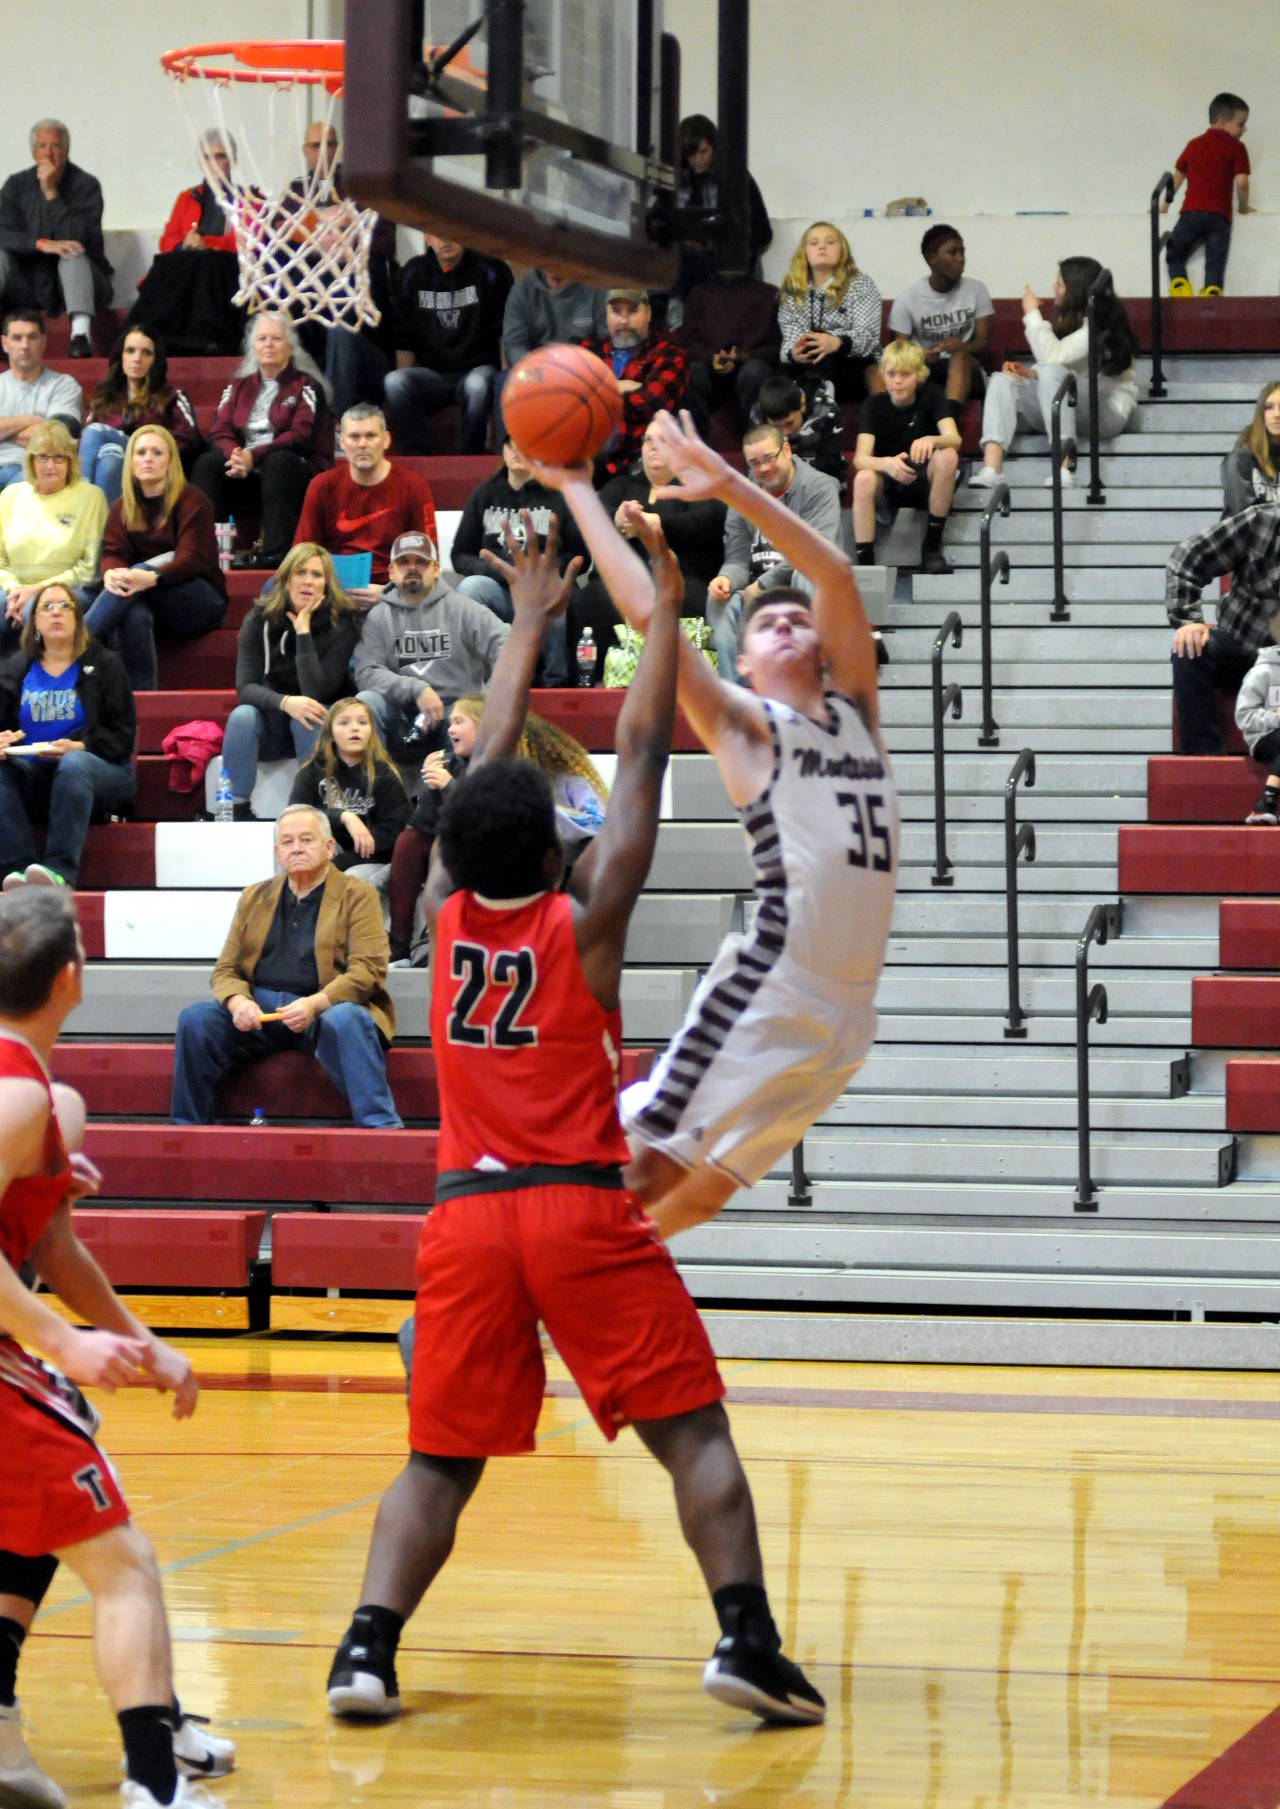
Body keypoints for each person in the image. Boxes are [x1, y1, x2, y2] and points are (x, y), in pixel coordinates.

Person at [326, 508, 825, 1733]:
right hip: (575, 1204)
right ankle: (745, 1642)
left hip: (461, 1220)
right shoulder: (580, 926)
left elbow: (488, 752)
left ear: (453, 848)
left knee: (439, 1455)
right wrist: (656, 609)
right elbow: (646, 750)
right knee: (690, 1432)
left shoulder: (437, 917)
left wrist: (528, 629)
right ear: (555, 848)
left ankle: (364, 1653)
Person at [542, 409, 897, 1243]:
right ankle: (498, 1293)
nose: (786, 618)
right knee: (653, 1161)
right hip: (777, 979)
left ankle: (577, 1294)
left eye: (796, 617)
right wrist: (577, 491)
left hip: (850, 1016)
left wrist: (728, 483)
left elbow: (836, 573)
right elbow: (647, 616)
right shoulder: (746, 727)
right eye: (766, 620)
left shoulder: (855, 716)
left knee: (706, 1189)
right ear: (741, 662)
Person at [0, 886, 233, 1809]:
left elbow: (52, 1244)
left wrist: (138, 1338)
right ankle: (154, 1785)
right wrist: (61, 1336)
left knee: (48, 1516)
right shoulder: (24, 1094)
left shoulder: (38, 1097)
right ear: (72, 978)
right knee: (122, 1562)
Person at [170, 802, 401, 1129]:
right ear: (277, 852)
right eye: (288, 842)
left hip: (323, 1010)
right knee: (196, 1020)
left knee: (347, 1018)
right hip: (260, 1014)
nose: (297, 849)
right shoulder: (254, 896)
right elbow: (226, 971)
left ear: (328, 847)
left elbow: (368, 971)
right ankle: (188, 1132)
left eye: (306, 840)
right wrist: (239, 1003)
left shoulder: (358, 895)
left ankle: (382, 1130)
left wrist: (314, 1004)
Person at [569, 415, 727, 683]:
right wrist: (616, 519)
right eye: (648, 441)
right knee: (587, 599)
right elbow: (590, 513)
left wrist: (658, 524)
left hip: (683, 579)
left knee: (690, 598)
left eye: (662, 441)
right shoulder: (625, 485)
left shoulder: (697, 485)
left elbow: (709, 519)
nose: (653, 446)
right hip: (627, 582)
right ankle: (589, 681)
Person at [0, 584, 134, 891]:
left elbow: (122, 738)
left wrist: (80, 746)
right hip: (33, 774)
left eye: (65, 605)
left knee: (74, 764)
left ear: (78, 618)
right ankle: (19, 872)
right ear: (34, 621)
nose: (56, 611)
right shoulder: (14, 669)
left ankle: (59, 871)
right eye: (46, 607)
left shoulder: (105, 664)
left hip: (100, 772)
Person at [970, 258, 1139, 489]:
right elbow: (1058, 366)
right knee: (1002, 380)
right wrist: (1029, 374)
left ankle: (1065, 469)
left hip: (1106, 413)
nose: (1053, 288)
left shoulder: (1098, 326)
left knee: (1051, 373)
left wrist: (1031, 314)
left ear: (1076, 290)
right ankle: (991, 468)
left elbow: (1054, 360)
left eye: (1059, 284)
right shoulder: (1071, 320)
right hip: (1071, 405)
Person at [222, 542, 361, 821]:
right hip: (272, 723)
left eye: (317, 575)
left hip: (316, 728)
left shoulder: (343, 623)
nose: (308, 581)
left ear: (326, 585)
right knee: (242, 717)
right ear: (285, 580)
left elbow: (318, 690)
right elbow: (245, 687)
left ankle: (319, 809)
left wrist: (303, 633)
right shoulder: (258, 618)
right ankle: (235, 809)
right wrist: (285, 703)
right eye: (300, 573)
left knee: (307, 714)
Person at [190, 311, 333, 570]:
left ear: (290, 347)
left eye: (276, 339)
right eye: (262, 339)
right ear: (252, 347)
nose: (268, 344)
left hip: (291, 476)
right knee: (207, 464)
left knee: (279, 463)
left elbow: (301, 435)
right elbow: (218, 430)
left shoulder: (306, 386)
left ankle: (276, 554)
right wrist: (235, 453)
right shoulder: (238, 386)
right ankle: (205, 551)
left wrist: (253, 455)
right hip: (246, 473)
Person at [87, 427, 226, 692]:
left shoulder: (192, 501)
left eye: (156, 452)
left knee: (134, 583)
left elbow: (191, 558)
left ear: (169, 462)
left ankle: (78, 642)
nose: (147, 458)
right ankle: (141, 697)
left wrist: (151, 577)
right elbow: (112, 552)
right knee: (134, 612)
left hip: (201, 599)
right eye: (140, 452)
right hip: (144, 596)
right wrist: (111, 573)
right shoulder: (122, 506)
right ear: (131, 462)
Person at [353, 531, 509, 759]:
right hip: (404, 712)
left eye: (421, 562)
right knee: (365, 703)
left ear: (436, 570)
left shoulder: (463, 608)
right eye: (404, 562)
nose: (412, 568)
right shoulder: (378, 616)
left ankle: (465, 790)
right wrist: (416, 689)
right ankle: (377, 788)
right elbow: (366, 671)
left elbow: (508, 644)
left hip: (455, 713)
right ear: (391, 572)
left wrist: (487, 698)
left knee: (474, 720)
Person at [704, 422, 841, 675]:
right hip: (756, 586)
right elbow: (737, 560)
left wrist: (765, 584)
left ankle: (811, 676)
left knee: (808, 576)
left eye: (769, 458)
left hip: (803, 580)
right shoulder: (742, 495)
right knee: (718, 600)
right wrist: (725, 578)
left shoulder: (820, 487)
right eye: (754, 463)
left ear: (786, 451)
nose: (764, 468)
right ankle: (736, 695)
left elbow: (816, 551)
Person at [449, 436, 585, 682]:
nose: (516, 452)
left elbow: (580, 553)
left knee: (554, 592)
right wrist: (496, 570)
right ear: (502, 451)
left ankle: (557, 681)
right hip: (500, 589)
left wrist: (548, 571)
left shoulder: (558, 495)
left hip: (544, 589)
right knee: (470, 588)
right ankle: (478, 680)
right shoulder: (485, 493)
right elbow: (460, 555)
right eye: (511, 446)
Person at [293, 403, 437, 609]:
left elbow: (429, 560)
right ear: (341, 441)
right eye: (354, 437)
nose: (362, 444)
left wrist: (390, 593)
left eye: (370, 436)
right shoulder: (322, 486)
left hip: (395, 593)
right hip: (332, 594)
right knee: (273, 589)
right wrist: (328, 591)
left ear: (386, 440)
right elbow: (302, 553)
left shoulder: (413, 486)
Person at [1168, 503, 1280, 755]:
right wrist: (1189, 621)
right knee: (1191, 649)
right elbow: (1188, 556)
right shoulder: (1262, 521)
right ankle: (1203, 758)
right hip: (1240, 650)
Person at [385, 235, 512, 455]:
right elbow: (403, 340)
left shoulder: (490, 271)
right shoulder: (411, 275)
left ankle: (468, 457)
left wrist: (505, 384)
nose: (445, 240)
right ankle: (421, 459)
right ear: (426, 239)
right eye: (436, 234)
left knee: (477, 385)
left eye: (451, 233)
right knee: (394, 382)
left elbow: (503, 333)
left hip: (478, 369)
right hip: (433, 375)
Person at [123, 131, 243, 356]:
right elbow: (167, 240)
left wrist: (205, 243)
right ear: (199, 162)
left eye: (220, 157)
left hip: (225, 274)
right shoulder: (186, 198)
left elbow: (247, 242)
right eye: (207, 158)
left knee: (207, 264)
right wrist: (185, 243)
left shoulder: (247, 199)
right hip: (187, 270)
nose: (214, 164)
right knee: (170, 265)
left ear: (232, 161)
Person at [852, 339, 961, 575]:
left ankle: (932, 547)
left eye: (905, 374)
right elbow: (860, 459)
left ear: (919, 375)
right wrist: (887, 463)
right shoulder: (874, 405)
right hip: (890, 483)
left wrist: (933, 440)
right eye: (891, 374)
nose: (898, 381)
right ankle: (865, 564)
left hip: (925, 481)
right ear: (883, 376)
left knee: (948, 456)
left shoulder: (932, 395)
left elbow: (954, 438)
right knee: (863, 478)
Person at [0, 123, 111, 356]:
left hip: (82, 282)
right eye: (42, 146)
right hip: (28, 283)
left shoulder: (87, 185)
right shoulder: (16, 185)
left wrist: (51, 193)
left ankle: (80, 336)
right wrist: (41, 244)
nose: (48, 154)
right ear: (33, 152)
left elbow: (81, 239)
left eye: (56, 146)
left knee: (72, 252)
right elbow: (3, 233)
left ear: (67, 150)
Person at [0, 423, 105, 646]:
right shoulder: (10, 496)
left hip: (70, 591)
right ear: (31, 461)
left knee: (38, 612)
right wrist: (14, 589)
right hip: (13, 590)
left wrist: (36, 590)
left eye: (59, 458)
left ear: (70, 462)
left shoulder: (91, 497)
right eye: (42, 458)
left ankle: (46, 680)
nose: (50, 466)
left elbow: (90, 570)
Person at [79, 328, 202, 507]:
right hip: (116, 466)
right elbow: (88, 447)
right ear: (121, 356)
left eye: (146, 353)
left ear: (156, 360)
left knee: (94, 431)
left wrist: (147, 445)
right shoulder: (105, 397)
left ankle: (80, 500)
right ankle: (103, 531)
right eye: (130, 351)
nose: (137, 358)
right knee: (109, 458)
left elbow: (190, 440)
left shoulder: (171, 397)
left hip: (150, 461)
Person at [288, 697, 410, 878]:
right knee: (291, 844)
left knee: (351, 878)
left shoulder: (385, 774)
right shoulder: (313, 770)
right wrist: (344, 817)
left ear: (371, 731)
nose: (354, 728)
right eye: (344, 723)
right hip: (326, 850)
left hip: (371, 858)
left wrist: (340, 863)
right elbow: (295, 815)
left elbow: (390, 834)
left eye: (362, 722)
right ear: (330, 733)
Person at [580, 289, 689, 480]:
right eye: (616, 311)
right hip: (586, 455)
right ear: (606, 314)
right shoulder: (588, 351)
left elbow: (653, 403)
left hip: (636, 461)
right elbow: (568, 399)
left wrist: (597, 393)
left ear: (648, 313)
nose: (623, 321)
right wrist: (623, 387)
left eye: (632, 311)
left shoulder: (669, 353)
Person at [887, 225, 993, 413]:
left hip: (967, 369)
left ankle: (950, 420)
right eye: (952, 252)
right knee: (907, 369)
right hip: (925, 369)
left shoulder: (977, 290)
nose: (960, 258)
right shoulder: (908, 298)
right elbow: (898, 351)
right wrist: (919, 355)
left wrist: (962, 346)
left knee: (959, 357)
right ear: (931, 259)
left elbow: (983, 343)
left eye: (962, 252)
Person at [777, 222, 883, 407]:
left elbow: (868, 337)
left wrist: (835, 342)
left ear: (842, 251)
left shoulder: (860, 284)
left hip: (851, 364)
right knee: (773, 376)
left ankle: (815, 409)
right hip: (807, 365)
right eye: (814, 243)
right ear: (805, 253)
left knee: (824, 361)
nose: (822, 247)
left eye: (830, 242)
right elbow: (789, 340)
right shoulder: (792, 290)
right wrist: (794, 353)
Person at [497, 265, 608, 436]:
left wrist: (576, 370)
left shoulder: (595, 287)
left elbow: (606, 340)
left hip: (582, 369)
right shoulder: (522, 290)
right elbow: (514, 344)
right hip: (536, 370)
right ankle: (510, 455)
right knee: (503, 381)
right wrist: (537, 370)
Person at [673, 113, 773, 299]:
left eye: (703, 152)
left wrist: (721, 243)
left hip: (724, 268)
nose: (697, 159)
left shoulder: (736, 178)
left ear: (715, 148)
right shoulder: (674, 180)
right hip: (684, 270)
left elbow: (762, 232)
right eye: (691, 154)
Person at [1163, 92, 1252, 298]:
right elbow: (1242, 182)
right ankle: (1212, 293)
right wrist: (1243, 207)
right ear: (1222, 121)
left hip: (1191, 214)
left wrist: (1164, 207)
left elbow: (1177, 178)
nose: (1243, 130)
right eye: (1240, 124)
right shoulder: (1237, 148)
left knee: (1174, 254)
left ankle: (1180, 288)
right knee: (1215, 260)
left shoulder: (1194, 144)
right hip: (1220, 218)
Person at [677, 271, 780, 431]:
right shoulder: (699, 294)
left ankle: (756, 439)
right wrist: (712, 357)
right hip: (711, 370)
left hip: (752, 369)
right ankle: (696, 441)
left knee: (753, 372)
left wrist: (744, 356)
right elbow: (688, 343)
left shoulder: (769, 294)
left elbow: (776, 348)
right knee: (692, 371)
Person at [0, 311, 82, 495]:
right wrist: (29, 420)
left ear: (44, 342)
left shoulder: (64, 385)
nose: (25, 345)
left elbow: (58, 439)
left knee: (21, 489)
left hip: (31, 471)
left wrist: (5, 432)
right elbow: (45, 434)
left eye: (32, 337)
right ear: (4, 343)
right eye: (17, 338)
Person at [755, 374, 845, 485]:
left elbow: (832, 462)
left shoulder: (826, 409)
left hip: (818, 478)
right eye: (777, 426)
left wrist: (790, 472)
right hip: (775, 479)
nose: (785, 432)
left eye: (790, 423)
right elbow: (753, 462)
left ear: (802, 404)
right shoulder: (758, 414)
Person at [1236, 633, 1280, 823]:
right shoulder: (1262, 672)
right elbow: (1244, 716)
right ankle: (1268, 799)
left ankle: (1266, 804)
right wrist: (1275, 718)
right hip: (1263, 736)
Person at [1222, 381, 1280, 516]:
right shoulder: (1239, 460)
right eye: (1269, 407)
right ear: (1261, 414)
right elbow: (1244, 520)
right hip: (1250, 535)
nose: (1277, 414)